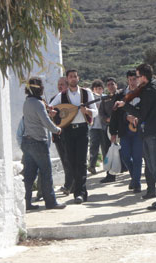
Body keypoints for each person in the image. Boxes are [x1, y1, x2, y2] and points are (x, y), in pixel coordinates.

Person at [115, 63, 156, 210]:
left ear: (144, 77)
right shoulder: (152, 86)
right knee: (155, 165)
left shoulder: (150, 90)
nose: (136, 79)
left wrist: (125, 106)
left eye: (138, 76)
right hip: (150, 131)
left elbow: (141, 113)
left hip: (152, 131)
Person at [49, 69, 98, 204]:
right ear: (67, 79)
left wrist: (87, 110)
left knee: (81, 162)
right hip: (68, 131)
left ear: (78, 78)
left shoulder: (87, 93)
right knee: (71, 162)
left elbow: (95, 112)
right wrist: (53, 113)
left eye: (75, 76)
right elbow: (52, 108)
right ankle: (77, 190)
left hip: (82, 129)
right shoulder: (62, 95)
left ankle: (80, 193)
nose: (73, 79)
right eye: (70, 77)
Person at [21, 77, 66, 210]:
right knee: (46, 172)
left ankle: (26, 202)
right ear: (39, 89)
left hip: (27, 141)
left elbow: (37, 117)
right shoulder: (38, 103)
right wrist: (57, 129)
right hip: (38, 142)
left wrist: (46, 110)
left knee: (29, 175)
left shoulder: (27, 102)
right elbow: (46, 122)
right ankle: (51, 202)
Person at [109, 72, 143, 192]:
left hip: (139, 131)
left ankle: (137, 183)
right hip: (124, 131)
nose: (133, 82)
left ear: (138, 80)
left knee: (138, 157)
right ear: (127, 80)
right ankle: (134, 177)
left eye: (135, 79)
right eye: (130, 79)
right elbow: (114, 115)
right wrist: (113, 132)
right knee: (125, 156)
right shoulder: (120, 95)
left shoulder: (143, 94)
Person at [49, 77, 73, 196]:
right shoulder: (54, 99)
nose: (60, 86)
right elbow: (51, 118)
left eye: (62, 84)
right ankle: (69, 184)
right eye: (58, 84)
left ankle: (69, 185)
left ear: (67, 86)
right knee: (64, 160)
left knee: (70, 160)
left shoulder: (70, 99)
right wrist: (53, 134)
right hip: (58, 135)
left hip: (70, 133)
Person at [99, 77, 123, 183]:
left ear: (116, 85)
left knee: (123, 150)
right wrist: (107, 119)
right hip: (108, 127)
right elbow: (101, 113)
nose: (110, 86)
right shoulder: (105, 99)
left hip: (121, 127)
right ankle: (110, 174)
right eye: (108, 85)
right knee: (107, 151)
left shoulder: (121, 95)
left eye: (112, 84)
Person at [88, 79, 110, 175]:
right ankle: (92, 166)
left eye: (100, 88)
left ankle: (107, 166)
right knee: (94, 147)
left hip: (104, 126)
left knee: (105, 147)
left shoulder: (105, 98)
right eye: (96, 88)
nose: (98, 90)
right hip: (93, 127)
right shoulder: (91, 99)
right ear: (93, 89)